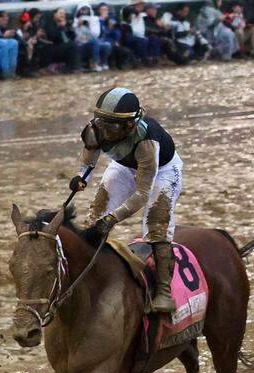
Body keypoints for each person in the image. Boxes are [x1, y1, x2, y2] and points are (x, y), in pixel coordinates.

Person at [71, 88, 182, 315]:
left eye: (111, 126)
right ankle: (84, 272)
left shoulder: (147, 143)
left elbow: (142, 194)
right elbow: (89, 158)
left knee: (156, 224)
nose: (104, 130)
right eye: (101, 122)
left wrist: (113, 219)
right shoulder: (96, 128)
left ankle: (164, 292)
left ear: (130, 125)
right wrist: (81, 177)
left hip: (162, 171)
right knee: (95, 215)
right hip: (124, 166)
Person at [74, 3, 111, 70]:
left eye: (86, 9)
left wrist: (89, 26)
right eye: (83, 9)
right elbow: (76, 37)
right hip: (81, 45)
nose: (84, 12)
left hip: (93, 42)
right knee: (95, 42)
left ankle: (103, 63)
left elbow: (95, 35)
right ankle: (95, 64)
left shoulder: (94, 19)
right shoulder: (75, 21)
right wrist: (78, 26)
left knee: (107, 45)